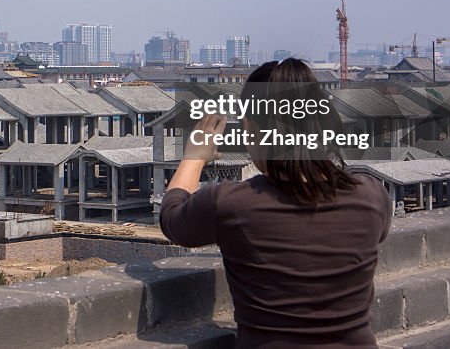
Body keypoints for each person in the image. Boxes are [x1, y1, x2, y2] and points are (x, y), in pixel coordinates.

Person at [160, 59, 392, 348]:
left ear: (258, 130)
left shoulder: (232, 204)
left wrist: (193, 156)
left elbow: (172, 217)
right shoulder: (371, 194)